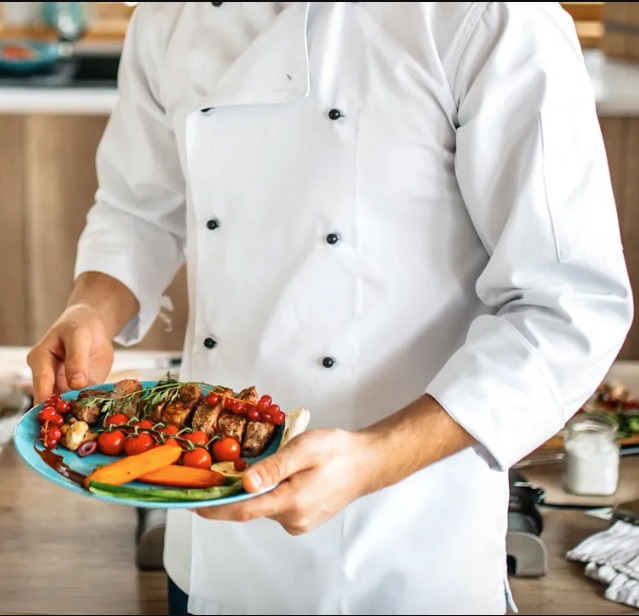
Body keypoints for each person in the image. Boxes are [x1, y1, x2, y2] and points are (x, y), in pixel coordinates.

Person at [26, 2, 634, 614]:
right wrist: (92, 309)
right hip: (214, 546)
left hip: (405, 546)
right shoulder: (169, 17)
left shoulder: (492, 17)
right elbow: (139, 209)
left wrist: (376, 458)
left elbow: (567, 307)